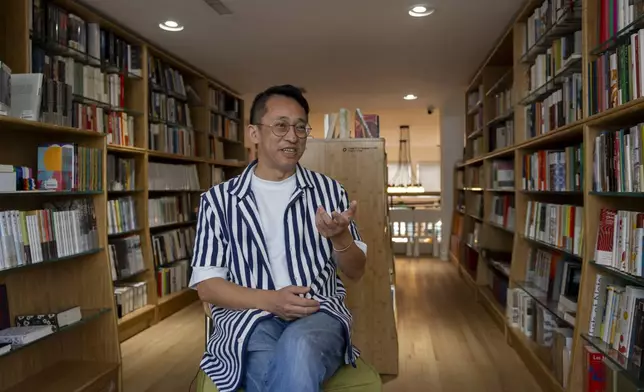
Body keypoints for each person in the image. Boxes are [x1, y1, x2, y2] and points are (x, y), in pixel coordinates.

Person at [190, 84, 368, 392]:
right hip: (248, 320)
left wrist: (340, 238)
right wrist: (271, 301)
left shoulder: (329, 191)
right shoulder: (218, 201)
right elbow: (207, 286)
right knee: (273, 366)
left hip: (319, 314)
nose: (293, 136)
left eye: (301, 128)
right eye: (281, 126)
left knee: (298, 346)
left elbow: (356, 270)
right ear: (254, 133)